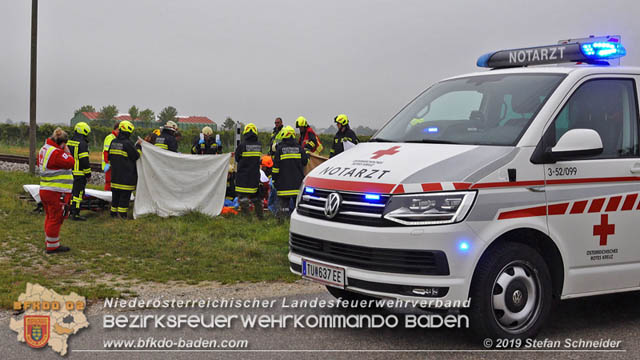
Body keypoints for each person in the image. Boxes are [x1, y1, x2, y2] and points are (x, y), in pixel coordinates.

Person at [38, 127, 75, 254]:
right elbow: (71, 162)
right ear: (63, 143)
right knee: (56, 218)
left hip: (45, 189)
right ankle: (52, 247)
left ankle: (51, 243)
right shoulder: (56, 153)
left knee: (50, 216)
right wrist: (68, 152)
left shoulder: (44, 148)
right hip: (56, 191)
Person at [272, 126, 308, 220]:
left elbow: (276, 168)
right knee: (298, 207)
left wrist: (274, 179)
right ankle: (298, 220)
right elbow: (305, 162)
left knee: (283, 206)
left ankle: (282, 221)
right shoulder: (300, 148)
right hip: (297, 184)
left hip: (283, 184)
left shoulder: (280, 149)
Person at [108, 121, 141, 219]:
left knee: (115, 196)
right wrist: (139, 147)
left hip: (115, 175)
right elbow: (136, 156)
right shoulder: (128, 143)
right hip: (126, 176)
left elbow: (109, 156)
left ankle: (113, 213)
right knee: (124, 197)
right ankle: (122, 215)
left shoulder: (113, 142)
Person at [234, 123, 263, 218]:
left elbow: (237, 158)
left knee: (243, 198)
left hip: (243, 177)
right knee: (256, 198)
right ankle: (260, 217)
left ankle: (247, 217)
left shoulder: (242, 145)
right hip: (254, 176)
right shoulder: (259, 145)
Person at [67, 122, 92, 221]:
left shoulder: (69, 141)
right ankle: (76, 214)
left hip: (69, 172)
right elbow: (84, 160)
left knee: (72, 193)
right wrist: (88, 173)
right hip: (79, 173)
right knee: (78, 194)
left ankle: (69, 211)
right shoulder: (82, 144)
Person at [102, 122, 119, 191]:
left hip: (112, 164)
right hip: (109, 164)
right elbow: (106, 152)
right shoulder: (110, 137)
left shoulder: (115, 138)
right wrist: (107, 163)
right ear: (116, 129)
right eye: (119, 130)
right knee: (109, 182)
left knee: (112, 182)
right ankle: (107, 196)